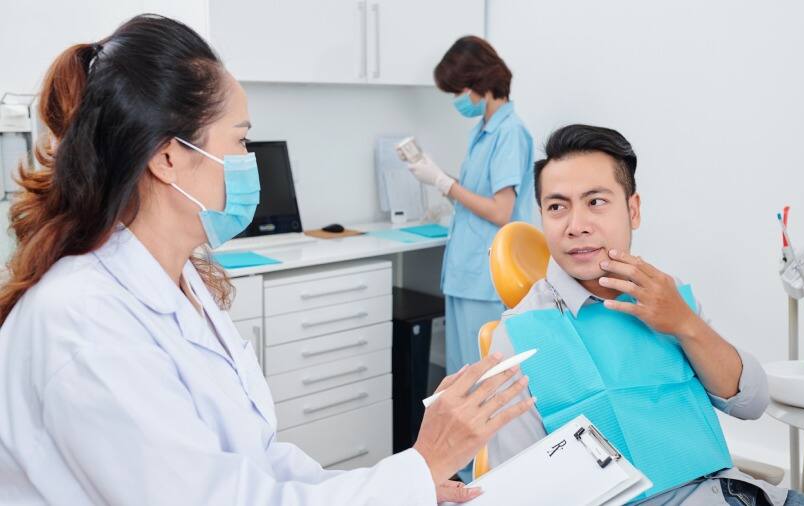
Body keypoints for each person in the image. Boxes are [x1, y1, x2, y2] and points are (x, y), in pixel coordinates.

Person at [0, 15, 534, 505]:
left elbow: (261, 464)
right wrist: (418, 467)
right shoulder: (84, 323)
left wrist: (409, 480)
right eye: (240, 140)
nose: (249, 161)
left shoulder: (182, 284)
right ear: (167, 157)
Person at [487, 124, 804, 505]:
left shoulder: (664, 293)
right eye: (556, 207)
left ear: (633, 210)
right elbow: (518, 492)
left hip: (740, 493)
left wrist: (684, 322)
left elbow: (752, 402)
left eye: (596, 201)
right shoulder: (517, 336)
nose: (576, 226)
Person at [402, 38, 534, 479]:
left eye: (458, 92)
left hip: (485, 277)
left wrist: (442, 183)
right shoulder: (483, 130)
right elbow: (479, 197)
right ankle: (458, 475)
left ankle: (485, 479)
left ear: (476, 83)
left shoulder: (510, 132)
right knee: (461, 382)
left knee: (481, 385)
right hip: (464, 273)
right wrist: (441, 179)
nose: (458, 101)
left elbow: (500, 210)